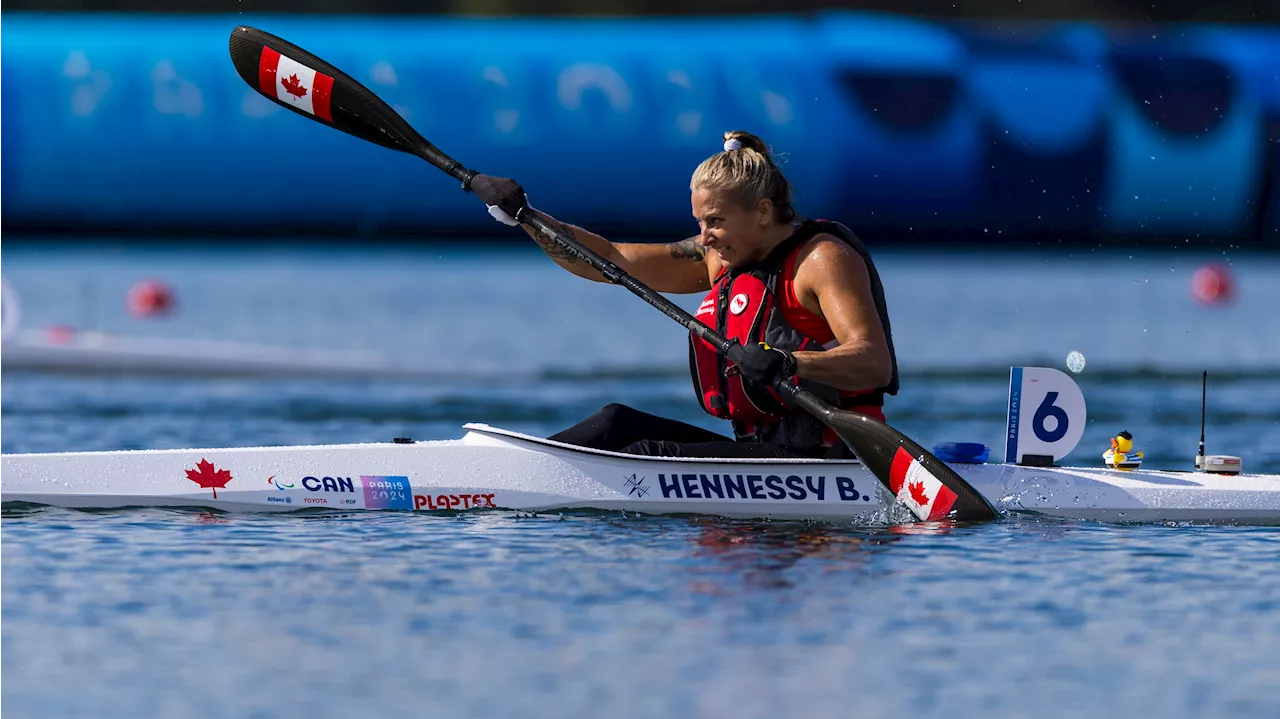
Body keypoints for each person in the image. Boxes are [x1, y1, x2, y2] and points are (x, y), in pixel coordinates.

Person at [468, 130, 898, 460]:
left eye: (715, 221)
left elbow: (873, 364)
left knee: (645, 458)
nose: (705, 236)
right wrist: (524, 215)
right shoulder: (720, 258)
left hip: (829, 460)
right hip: (763, 454)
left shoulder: (821, 260)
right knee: (615, 423)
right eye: (699, 222)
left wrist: (785, 361)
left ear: (763, 212)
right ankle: (505, 467)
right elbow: (609, 258)